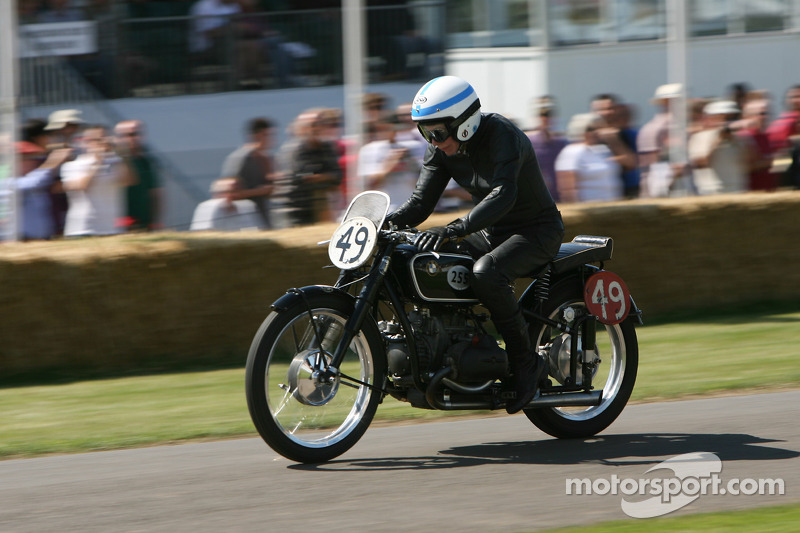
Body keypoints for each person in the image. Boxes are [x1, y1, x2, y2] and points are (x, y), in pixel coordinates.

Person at [385, 76, 564, 414]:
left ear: (463, 123)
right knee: (430, 263)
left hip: (536, 230)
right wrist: (380, 225)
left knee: (486, 274)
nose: (433, 141)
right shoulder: (441, 148)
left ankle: (525, 362)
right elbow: (420, 203)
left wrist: (455, 228)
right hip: (492, 231)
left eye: (437, 132)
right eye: (425, 133)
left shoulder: (503, 136)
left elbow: (504, 193)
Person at [60, 125, 132, 236]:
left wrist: (123, 155)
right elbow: (82, 186)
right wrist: (97, 162)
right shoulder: (72, 165)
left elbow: (129, 181)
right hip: (83, 229)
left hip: (112, 229)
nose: (103, 143)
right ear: (85, 142)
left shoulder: (116, 162)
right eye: (98, 140)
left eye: (106, 138)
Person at [277, 109, 342, 226]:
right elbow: (302, 176)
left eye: (322, 124)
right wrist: (326, 177)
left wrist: (320, 176)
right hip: (296, 211)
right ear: (302, 128)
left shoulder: (327, 147)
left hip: (322, 209)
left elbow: (337, 176)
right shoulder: (294, 149)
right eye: (313, 125)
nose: (318, 128)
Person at [219, 117, 277, 229]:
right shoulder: (240, 159)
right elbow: (228, 194)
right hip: (244, 224)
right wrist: (259, 191)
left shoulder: (266, 158)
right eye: (268, 135)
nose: (272, 139)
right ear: (256, 135)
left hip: (264, 220)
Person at [554, 113, 625, 203]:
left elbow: (630, 162)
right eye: (590, 129)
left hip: (611, 205)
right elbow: (567, 187)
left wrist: (614, 140)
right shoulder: (571, 151)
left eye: (599, 128)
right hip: (589, 208)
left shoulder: (603, 150)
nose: (595, 132)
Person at [10, 141, 72, 240]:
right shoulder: (7, 180)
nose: (34, 162)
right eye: (28, 159)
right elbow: (35, 182)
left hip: (42, 236)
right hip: (19, 239)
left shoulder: (36, 178)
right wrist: (53, 161)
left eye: (36, 159)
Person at [357, 115, 421, 210]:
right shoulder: (370, 150)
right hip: (384, 208)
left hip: (408, 205)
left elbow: (417, 181)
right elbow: (369, 184)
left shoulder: (407, 148)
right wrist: (389, 164)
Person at [688, 100, 748, 195]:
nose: (726, 121)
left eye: (731, 117)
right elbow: (701, 162)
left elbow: (749, 162)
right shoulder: (699, 137)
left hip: (737, 189)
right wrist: (718, 139)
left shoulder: (740, 138)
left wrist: (733, 138)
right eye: (723, 117)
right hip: (712, 191)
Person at [114, 120, 163, 231]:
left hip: (142, 221)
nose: (135, 138)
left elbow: (155, 193)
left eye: (138, 134)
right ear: (118, 137)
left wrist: (154, 222)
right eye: (130, 135)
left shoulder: (146, 161)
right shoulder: (112, 159)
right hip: (117, 222)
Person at [637, 83, 684, 197]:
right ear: (667, 102)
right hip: (662, 190)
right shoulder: (654, 129)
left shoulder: (681, 125)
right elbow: (653, 165)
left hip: (682, 186)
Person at [526, 96, 568, 202]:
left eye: (548, 114)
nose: (545, 119)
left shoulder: (562, 142)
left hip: (559, 196)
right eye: (542, 115)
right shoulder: (528, 141)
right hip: (538, 197)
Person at [190, 177, 262, 231]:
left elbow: (256, 230)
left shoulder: (248, 206)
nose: (233, 195)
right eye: (228, 192)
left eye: (237, 191)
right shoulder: (207, 207)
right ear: (216, 195)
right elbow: (203, 234)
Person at [736, 99, 777, 191]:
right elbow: (743, 167)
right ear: (748, 116)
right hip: (753, 192)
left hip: (768, 191)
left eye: (767, 113)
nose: (766, 117)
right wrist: (771, 161)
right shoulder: (744, 137)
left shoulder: (765, 136)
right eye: (762, 114)